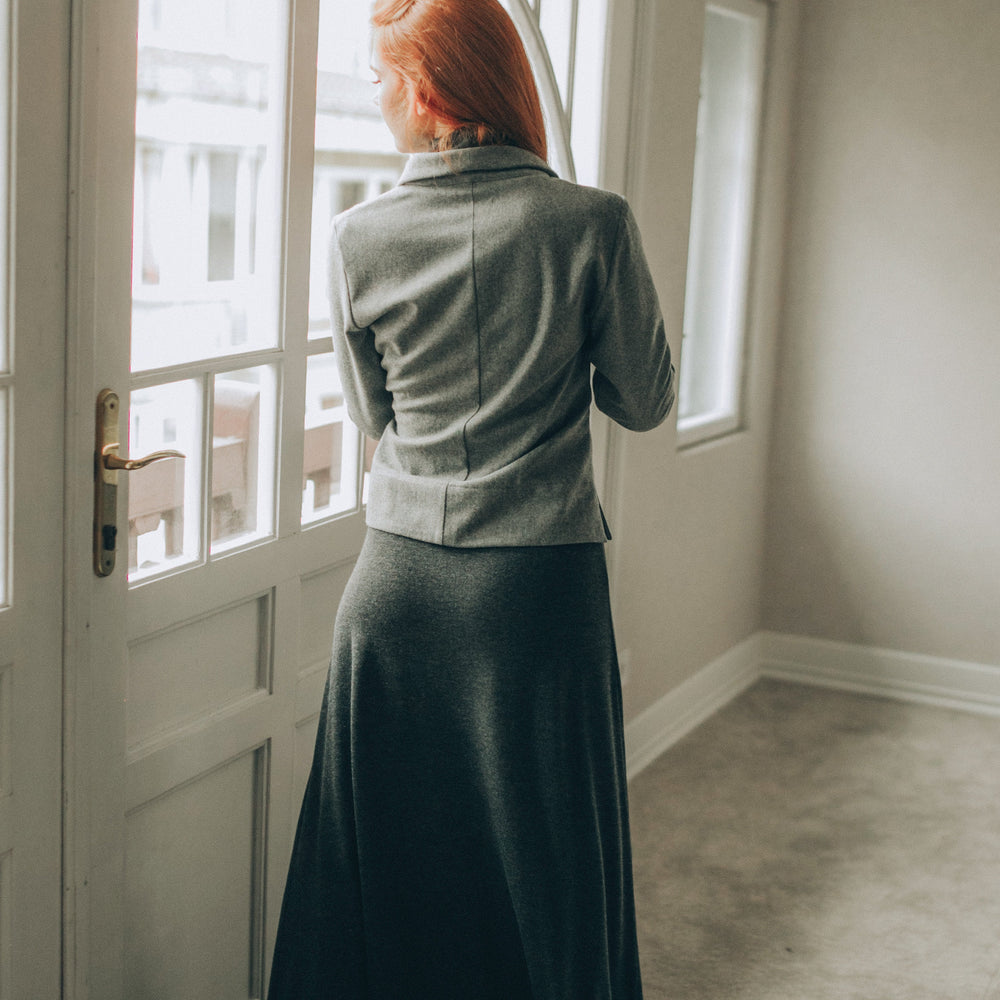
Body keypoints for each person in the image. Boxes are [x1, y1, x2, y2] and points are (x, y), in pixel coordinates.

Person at [267, 0, 674, 996]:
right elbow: (644, 399)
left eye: (378, 83)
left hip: (397, 590)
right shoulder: (593, 223)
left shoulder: (358, 237)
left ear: (425, 89)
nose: (379, 106)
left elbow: (377, 414)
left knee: (386, 862)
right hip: (535, 594)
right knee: (546, 865)